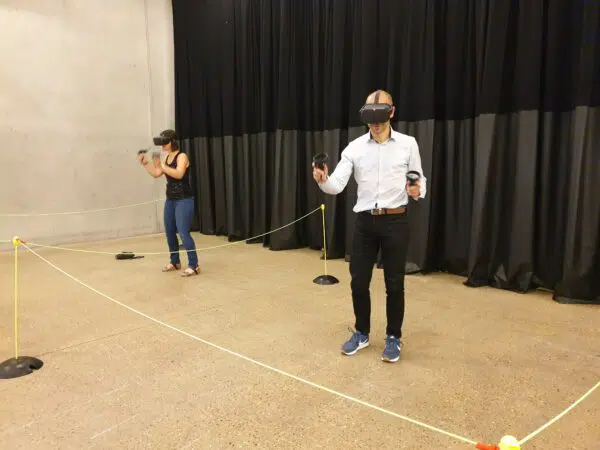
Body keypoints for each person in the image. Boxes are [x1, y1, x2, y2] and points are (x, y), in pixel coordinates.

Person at [312, 90, 427, 363]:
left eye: (380, 117)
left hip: (396, 220)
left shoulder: (408, 144)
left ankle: (393, 336)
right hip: (365, 222)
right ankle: (362, 332)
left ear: (391, 112)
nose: (375, 124)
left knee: (394, 283)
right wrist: (322, 179)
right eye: (370, 119)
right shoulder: (354, 148)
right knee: (359, 282)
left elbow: (419, 180)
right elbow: (336, 185)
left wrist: (417, 190)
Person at [136, 129, 199, 277]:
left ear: (172, 142)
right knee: (170, 231)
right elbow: (157, 173)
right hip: (170, 199)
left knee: (183, 232)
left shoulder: (182, 156)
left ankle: (194, 265)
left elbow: (179, 174)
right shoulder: (166, 157)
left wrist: (162, 166)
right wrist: (146, 164)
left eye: (165, 141)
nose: (162, 145)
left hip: (184, 199)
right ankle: (175, 262)